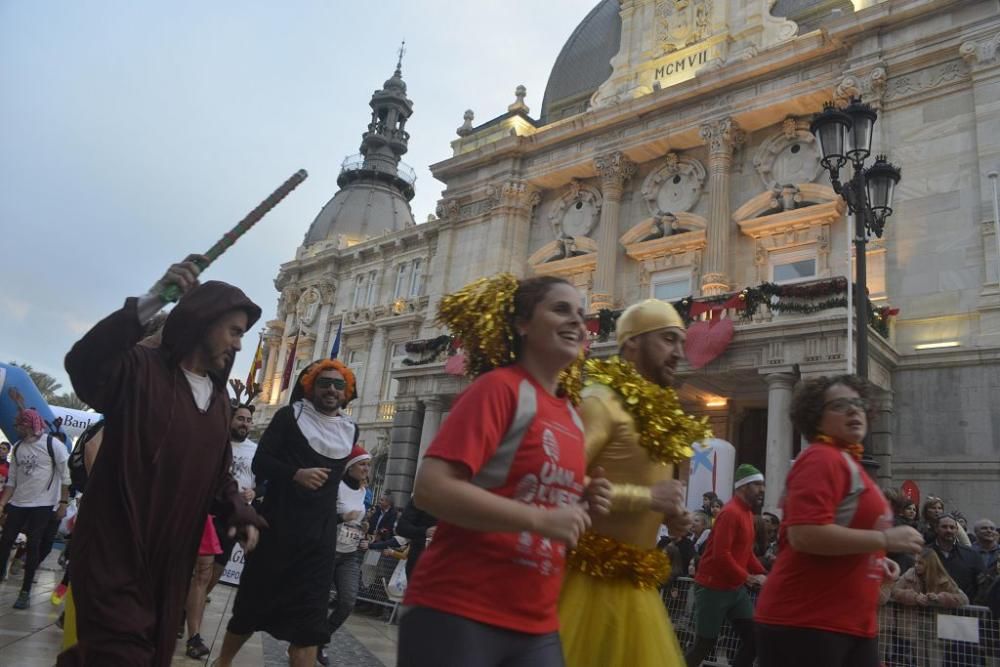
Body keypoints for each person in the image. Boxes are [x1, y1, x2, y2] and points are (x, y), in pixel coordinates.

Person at [59, 259, 266, 666]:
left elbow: (215, 475)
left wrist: (238, 510)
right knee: (122, 656)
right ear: (202, 322)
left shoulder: (221, 403)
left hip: (170, 566)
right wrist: (153, 300)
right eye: (235, 332)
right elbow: (85, 364)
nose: (240, 345)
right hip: (114, 552)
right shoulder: (138, 371)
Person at [398, 274, 608, 667]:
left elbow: (533, 495)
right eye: (561, 309)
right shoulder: (498, 389)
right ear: (522, 324)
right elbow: (430, 488)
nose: (577, 322)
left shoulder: (573, 419)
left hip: (538, 624)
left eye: (581, 314)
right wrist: (539, 520)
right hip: (459, 611)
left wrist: (585, 500)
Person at [558, 298, 710, 667]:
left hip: (635, 587)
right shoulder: (601, 401)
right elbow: (563, 482)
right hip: (587, 585)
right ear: (632, 344)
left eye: (681, 341)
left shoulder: (656, 414)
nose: (679, 352)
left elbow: (647, 496)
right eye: (668, 340)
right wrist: (647, 498)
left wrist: (670, 517)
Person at [754, 374, 923, 667]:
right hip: (807, 622)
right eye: (840, 405)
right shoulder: (821, 458)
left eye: (858, 403)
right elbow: (805, 534)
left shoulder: (846, 462)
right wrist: (884, 540)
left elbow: (841, 533)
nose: (853, 410)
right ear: (817, 418)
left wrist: (874, 559)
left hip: (849, 621)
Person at [216, 359, 359, 667]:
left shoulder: (351, 429)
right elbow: (260, 463)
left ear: (346, 391)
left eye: (338, 384)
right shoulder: (288, 417)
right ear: (310, 388)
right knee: (251, 607)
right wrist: (296, 473)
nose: (332, 389)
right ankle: (223, 662)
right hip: (278, 529)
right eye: (324, 383)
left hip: (319, 540)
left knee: (309, 626)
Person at [184, 404, 258, 659]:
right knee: (202, 574)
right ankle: (194, 636)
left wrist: (254, 492)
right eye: (240, 418)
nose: (244, 423)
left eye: (248, 420)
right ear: (229, 419)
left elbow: (261, 482)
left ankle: (185, 611)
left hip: (233, 518)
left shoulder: (254, 451)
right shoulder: (215, 443)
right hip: (208, 512)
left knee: (213, 576)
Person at [685, 465, 767, 667]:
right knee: (705, 644)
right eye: (757, 484)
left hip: (734, 589)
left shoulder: (746, 513)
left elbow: (745, 553)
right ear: (742, 487)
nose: (762, 489)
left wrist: (766, 574)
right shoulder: (730, 512)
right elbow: (721, 556)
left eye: (763, 485)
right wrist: (749, 578)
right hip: (713, 589)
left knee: (754, 640)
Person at [0, 408, 71, 609]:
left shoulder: (52, 445)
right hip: (19, 502)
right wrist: (2, 503)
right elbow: (12, 481)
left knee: (34, 545)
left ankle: (25, 592)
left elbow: (66, 476)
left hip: (44, 503)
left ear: (28, 425)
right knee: (5, 541)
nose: (16, 428)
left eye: (18, 425)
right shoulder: (18, 447)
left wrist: (63, 503)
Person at [320, 444, 373, 666]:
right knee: (319, 602)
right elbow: (320, 517)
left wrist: (364, 534)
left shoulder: (363, 492)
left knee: (348, 601)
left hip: (349, 555)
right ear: (350, 467)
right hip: (327, 551)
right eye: (362, 464)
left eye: (368, 465)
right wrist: (342, 518)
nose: (366, 469)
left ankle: (322, 640)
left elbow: (359, 523)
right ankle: (306, 643)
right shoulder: (336, 487)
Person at [889, 548, 969, 666]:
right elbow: (894, 591)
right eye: (915, 562)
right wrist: (914, 597)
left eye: (920, 563)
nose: (916, 565)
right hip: (914, 624)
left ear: (930, 564)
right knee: (918, 660)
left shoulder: (943, 578)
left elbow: (963, 599)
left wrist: (939, 598)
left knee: (935, 660)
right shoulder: (910, 574)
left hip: (936, 626)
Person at [930, 514, 983, 602]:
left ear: (957, 530)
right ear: (936, 529)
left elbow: (981, 585)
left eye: (952, 527)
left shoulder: (972, 554)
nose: (948, 530)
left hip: (964, 610)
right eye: (944, 527)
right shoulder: (925, 553)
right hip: (929, 609)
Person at [394, 496, 437, 581]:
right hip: (419, 564)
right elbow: (401, 527)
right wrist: (425, 531)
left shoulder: (461, 500)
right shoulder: (422, 497)